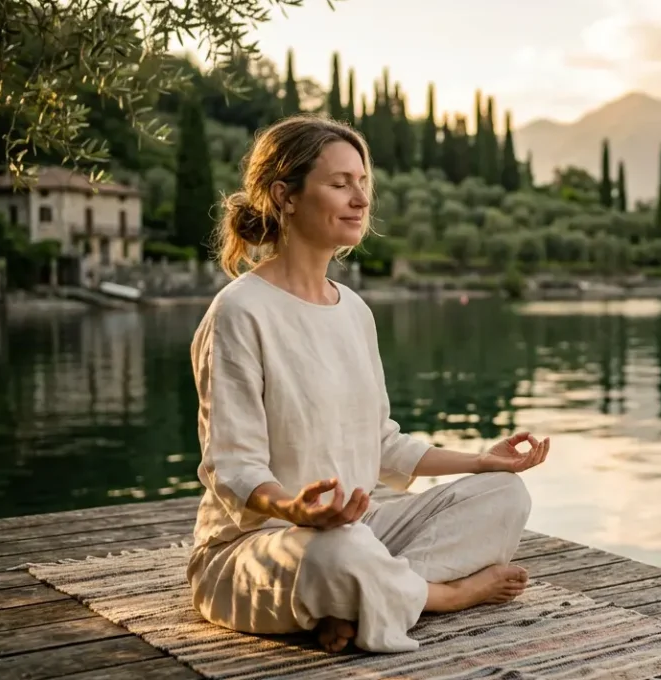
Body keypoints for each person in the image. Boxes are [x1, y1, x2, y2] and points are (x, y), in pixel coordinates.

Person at [186, 114, 550, 654]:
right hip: (261, 548)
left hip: (360, 529)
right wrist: (295, 512)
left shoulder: (354, 310)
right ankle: (440, 595)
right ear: (285, 196)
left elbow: (382, 444)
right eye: (339, 184)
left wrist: (481, 461)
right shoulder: (240, 311)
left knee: (503, 495)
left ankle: (363, 600)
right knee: (338, 554)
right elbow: (233, 468)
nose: (359, 199)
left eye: (363, 184)